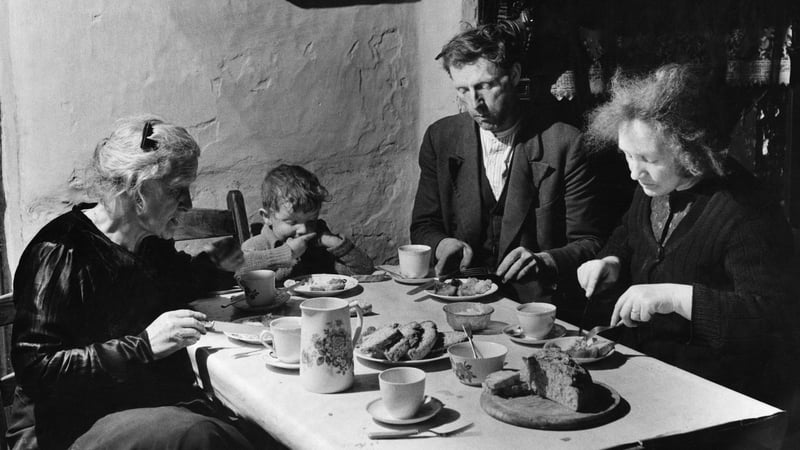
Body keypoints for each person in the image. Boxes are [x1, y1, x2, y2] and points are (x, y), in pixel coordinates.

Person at [7, 116, 255, 449]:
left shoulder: (147, 242)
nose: (188, 203)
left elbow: (173, 285)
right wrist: (141, 347)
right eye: (177, 189)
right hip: (71, 426)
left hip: (142, 404)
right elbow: (37, 371)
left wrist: (215, 264)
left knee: (256, 429)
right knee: (200, 437)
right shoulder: (61, 250)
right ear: (136, 188)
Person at [577, 64, 796, 405]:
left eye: (648, 158)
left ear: (690, 151)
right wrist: (610, 260)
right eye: (627, 156)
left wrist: (678, 298)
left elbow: (773, 319)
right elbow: (628, 234)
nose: (635, 173)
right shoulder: (654, 186)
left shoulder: (746, 209)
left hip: (716, 396)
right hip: (650, 378)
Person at [411, 22, 608, 313]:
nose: (475, 104)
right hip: (461, 302)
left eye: (485, 86)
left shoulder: (565, 142)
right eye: (463, 90)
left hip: (537, 308)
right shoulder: (440, 138)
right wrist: (441, 244)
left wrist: (545, 260)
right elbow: (423, 225)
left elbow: (590, 242)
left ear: (514, 75)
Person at [238, 164, 374, 280]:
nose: (303, 229)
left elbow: (364, 270)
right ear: (267, 217)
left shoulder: (319, 246)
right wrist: (287, 253)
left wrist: (335, 243)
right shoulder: (256, 246)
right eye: (292, 222)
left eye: (311, 221)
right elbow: (240, 273)